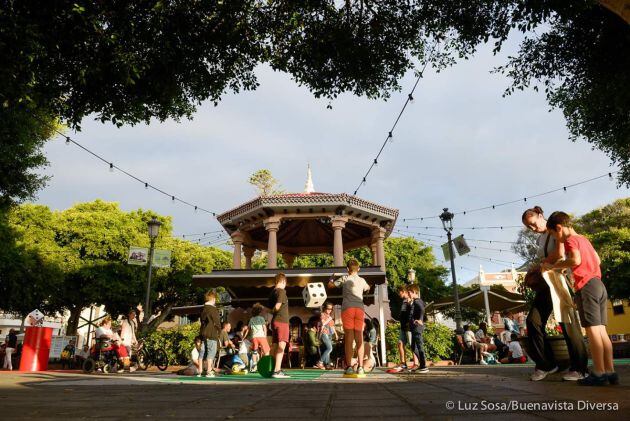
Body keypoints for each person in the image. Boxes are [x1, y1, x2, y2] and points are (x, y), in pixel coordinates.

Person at [542, 211, 617, 386]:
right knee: (602, 332)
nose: (557, 240)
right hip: (598, 284)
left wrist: (554, 266)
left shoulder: (569, 240)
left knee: (592, 331)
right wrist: (566, 267)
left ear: (559, 228)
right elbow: (597, 260)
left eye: (554, 235)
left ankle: (598, 372)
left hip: (587, 287)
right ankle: (610, 371)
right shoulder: (584, 239)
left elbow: (575, 260)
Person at [522, 206, 588, 382]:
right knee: (533, 320)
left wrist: (538, 265)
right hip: (545, 282)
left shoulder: (555, 229)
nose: (533, 229)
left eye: (533, 224)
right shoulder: (541, 239)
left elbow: (559, 254)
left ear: (541, 216)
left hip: (559, 280)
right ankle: (547, 364)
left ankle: (580, 368)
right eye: (529, 227)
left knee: (568, 323)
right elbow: (545, 259)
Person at [329, 259, 370, 377]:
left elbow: (330, 285)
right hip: (360, 309)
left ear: (347, 269)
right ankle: (361, 367)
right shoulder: (362, 280)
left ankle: (349, 367)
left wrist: (331, 278)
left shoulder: (345, 278)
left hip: (348, 308)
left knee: (349, 338)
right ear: (359, 269)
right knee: (359, 338)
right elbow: (367, 288)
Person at [390, 286, 419, 372]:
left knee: (412, 345)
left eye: (399, 292)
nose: (399, 294)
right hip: (403, 326)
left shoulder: (411, 300)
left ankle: (416, 363)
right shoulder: (404, 301)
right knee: (400, 343)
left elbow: (413, 313)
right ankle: (403, 363)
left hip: (409, 327)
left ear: (403, 291)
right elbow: (403, 314)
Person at [268, 273, 291, 378]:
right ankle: (277, 370)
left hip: (274, 321)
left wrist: (273, 312)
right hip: (282, 321)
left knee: (275, 345)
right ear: (283, 282)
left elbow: (268, 309)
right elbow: (277, 307)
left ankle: (272, 369)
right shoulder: (282, 291)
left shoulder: (273, 292)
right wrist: (275, 310)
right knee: (282, 346)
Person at [407, 285, 429, 373]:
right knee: (413, 346)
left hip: (417, 327)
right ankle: (422, 364)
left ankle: (424, 366)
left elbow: (422, 309)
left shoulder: (417, 301)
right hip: (414, 327)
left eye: (409, 292)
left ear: (414, 292)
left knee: (419, 346)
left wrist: (420, 319)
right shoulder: (415, 302)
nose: (408, 294)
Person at [199, 291, 221, 377]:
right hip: (212, 333)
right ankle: (209, 371)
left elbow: (202, 321)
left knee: (203, 352)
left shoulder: (203, 309)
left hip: (204, 333)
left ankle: (202, 371)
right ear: (213, 299)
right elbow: (217, 322)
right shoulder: (213, 309)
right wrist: (219, 330)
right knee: (211, 352)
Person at [319, 302, 338, 369]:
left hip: (329, 334)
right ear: (324, 308)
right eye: (328, 308)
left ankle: (327, 364)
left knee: (327, 349)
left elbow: (332, 326)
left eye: (331, 309)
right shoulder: (322, 314)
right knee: (329, 348)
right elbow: (323, 323)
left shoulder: (330, 317)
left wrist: (336, 334)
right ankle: (320, 362)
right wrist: (329, 319)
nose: (329, 310)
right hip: (324, 333)